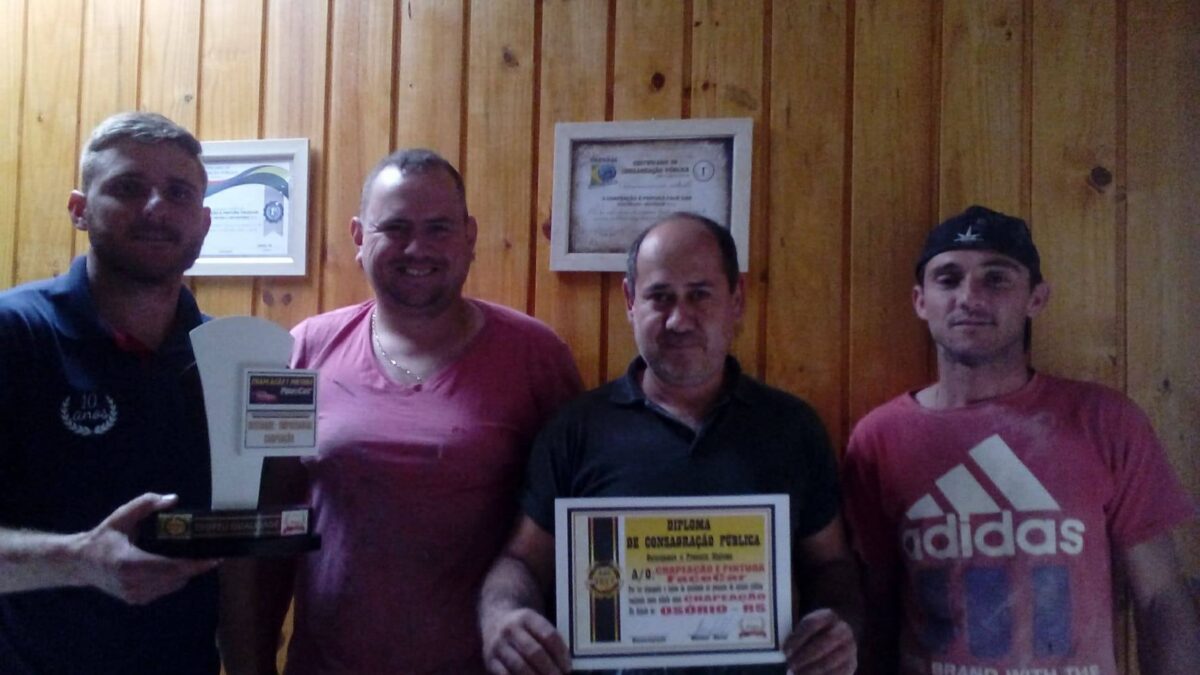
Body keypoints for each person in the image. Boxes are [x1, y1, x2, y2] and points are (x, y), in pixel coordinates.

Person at [221, 149, 583, 675]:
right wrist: (249, 663)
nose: (418, 248)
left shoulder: (538, 356)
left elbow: (568, 527)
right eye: (395, 228)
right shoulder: (300, 351)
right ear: (358, 237)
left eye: (439, 228)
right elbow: (269, 525)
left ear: (469, 236)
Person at [478, 213, 861, 675]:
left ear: (736, 300)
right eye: (660, 297)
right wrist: (500, 615)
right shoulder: (575, 431)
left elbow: (832, 565)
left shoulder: (792, 428)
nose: (679, 320)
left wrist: (840, 625)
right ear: (629, 301)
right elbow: (521, 560)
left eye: (700, 294)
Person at [841, 205, 1200, 675]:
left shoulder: (1105, 421)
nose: (969, 297)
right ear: (920, 301)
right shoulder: (878, 439)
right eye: (948, 279)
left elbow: (1159, 596)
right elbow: (878, 602)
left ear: (1036, 298)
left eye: (996, 279)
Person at [0, 112, 222, 673]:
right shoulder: (15, 333)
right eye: (128, 187)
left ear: (203, 222)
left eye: (179, 193)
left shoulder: (227, 357)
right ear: (79, 210)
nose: (156, 207)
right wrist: (78, 560)